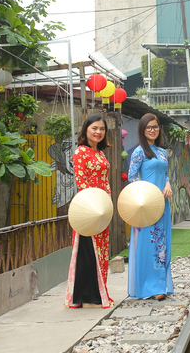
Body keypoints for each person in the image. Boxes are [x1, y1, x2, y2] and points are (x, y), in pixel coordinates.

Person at [65, 114, 114, 309]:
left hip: (102, 208)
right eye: (94, 128)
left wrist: (106, 204)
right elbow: (81, 181)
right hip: (87, 208)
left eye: (102, 129)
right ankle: (84, 296)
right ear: (86, 130)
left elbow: (105, 181)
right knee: (86, 250)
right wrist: (93, 205)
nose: (98, 132)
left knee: (101, 252)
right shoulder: (80, 152)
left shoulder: (101, 153)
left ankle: (99, 293)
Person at [127, 113, 173, 300]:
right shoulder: (139, 152)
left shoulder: (161, 152)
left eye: (155, 127)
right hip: (146, 204)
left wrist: (168, 184)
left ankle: (161, 284)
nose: (153, 130)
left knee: (163, 244)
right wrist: (146, 193)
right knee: (148, 244)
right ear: (142, 130)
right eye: (149, 127)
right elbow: (132, 177)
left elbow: (166, 174)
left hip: (163, 204)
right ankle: (150, 287)